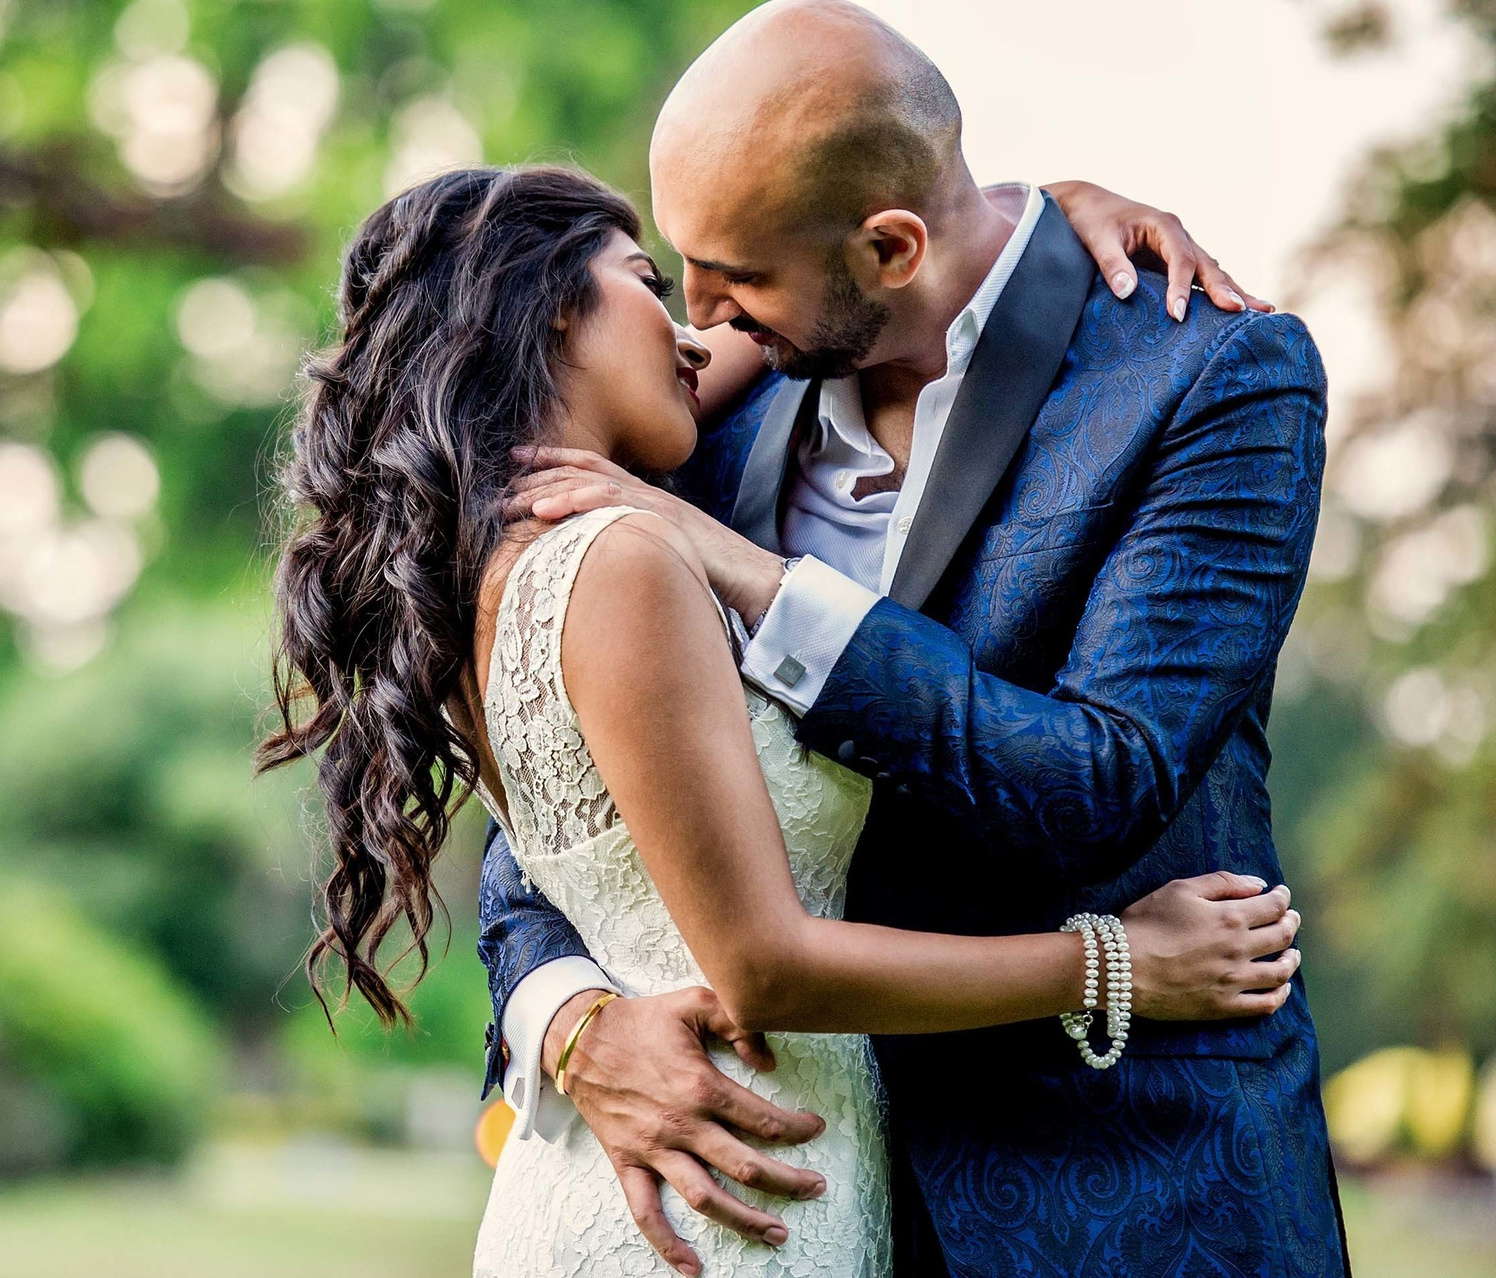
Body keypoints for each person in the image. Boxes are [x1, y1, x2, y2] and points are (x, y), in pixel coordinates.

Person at [262, 167, 1308, 1278]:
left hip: (1077, 1190)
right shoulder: (635, 528)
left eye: (720, 279)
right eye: (654, 279)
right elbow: (633, 899)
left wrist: (1027, 214)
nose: (698, 324)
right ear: (549, 306)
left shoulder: (531, 537)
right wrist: (1112, 964)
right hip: (731, 1191)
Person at [475, 3, 1350, 1276]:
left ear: (890, 247)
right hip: (773, 1199)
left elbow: (1104, 782)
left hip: (1127, 1201)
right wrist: (565, 1019)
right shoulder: (699, 418)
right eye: (678, 268)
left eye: (735, 274)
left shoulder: (1212, 379)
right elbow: (562, 784)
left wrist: (762, 583)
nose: (698, 317)